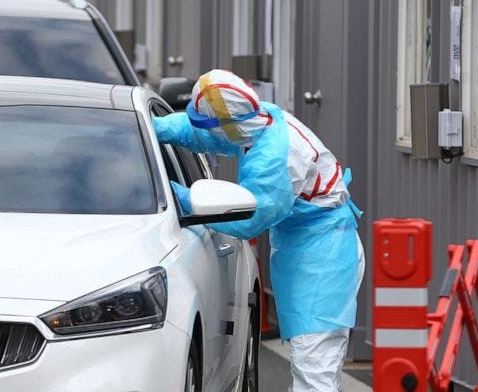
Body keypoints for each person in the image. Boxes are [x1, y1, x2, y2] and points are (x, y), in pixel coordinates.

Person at [154, 69, 364, 392]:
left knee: (315, 370)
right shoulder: (255, 122)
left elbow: (246, 217)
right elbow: (202, 132)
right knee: (314, 366)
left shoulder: (274, 158)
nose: (210, 135)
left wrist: (186, 200)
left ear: (227, 125)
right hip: (311, 251)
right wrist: (155, 127)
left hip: (324, 260)